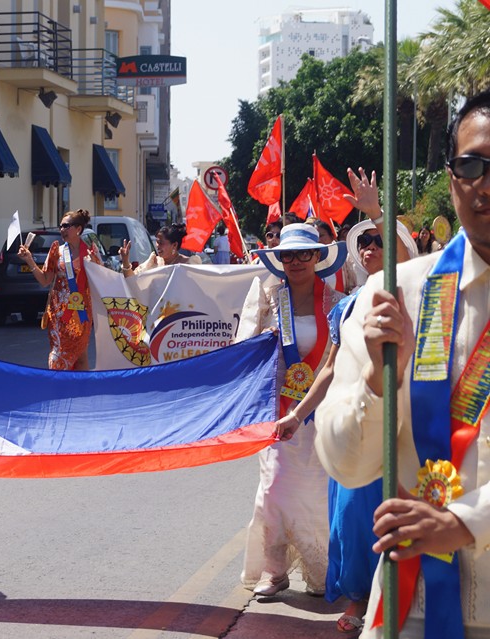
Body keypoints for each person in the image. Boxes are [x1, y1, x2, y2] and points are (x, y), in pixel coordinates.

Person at [316, 91, 490, 638]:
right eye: (472, 164)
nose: (486, 183)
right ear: (452, 172)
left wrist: (466, 521)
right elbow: (345, 465)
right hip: (407, 608)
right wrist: (376, 380)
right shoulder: (398, 294)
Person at [270, 215, 417, 632]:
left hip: (404, 429)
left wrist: (374, 211)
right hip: (356, 428)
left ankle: (400, 599)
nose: (370, 248)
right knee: (351, 519)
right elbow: (329, 370)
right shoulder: (347, 307)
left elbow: (405, 264)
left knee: (397, 518)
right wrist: (297, 415)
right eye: (364, 242)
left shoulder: (417, 294)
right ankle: (358, 600)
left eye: (378, 240)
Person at [236, 223, 347, 597]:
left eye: (304, 254)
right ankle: (274, 569)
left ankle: (321, 571)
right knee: (272, 490)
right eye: (288, 255)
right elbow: (243, 350)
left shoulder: (335, 302)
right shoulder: (268, 299)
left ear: (318, 257)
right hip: (278, 414)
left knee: (316, 496)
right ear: (279, 259)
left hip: (320, 414)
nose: (297, 261)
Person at [17, 208, 102, 371]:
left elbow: (101, 281)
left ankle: (82, 393)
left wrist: (95, 266)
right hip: (60, 315)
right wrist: (29, 260)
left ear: (78, 229)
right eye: (61, 226)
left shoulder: (90, 251)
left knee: (81, 357)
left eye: (66, 226)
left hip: (81, 313)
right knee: (57, 357)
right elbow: (45, 280)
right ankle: (59, 391)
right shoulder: (57, 251)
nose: (62, 230)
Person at [118, 223, 200, 276]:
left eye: (161, 243)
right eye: (157, 242)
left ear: (174, 245)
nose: (157, 246)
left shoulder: (189, 264)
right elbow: (133, 281)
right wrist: (125, 261)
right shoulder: (153, 261)